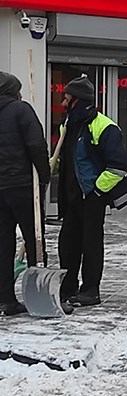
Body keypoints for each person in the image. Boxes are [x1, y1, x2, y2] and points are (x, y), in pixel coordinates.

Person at [57, 75, 127, 308]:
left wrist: (97, 192)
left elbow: (118, 168)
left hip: (92, 197)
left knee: (90, 244)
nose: (63, 103)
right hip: (71, 197)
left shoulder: (105, 127)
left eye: (67, 98)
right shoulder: (68, 125)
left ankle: (90, 290)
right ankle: (68, 287)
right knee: (67, 244)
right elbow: (67, 159)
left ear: (78, 101)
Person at [0, 72, 50, 316]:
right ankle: (39, 295)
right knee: (35, 239)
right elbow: (36, 145)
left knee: (3, 243)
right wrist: (44, 174)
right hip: (22, 185)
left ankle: (6, 299)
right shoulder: (21, 110)